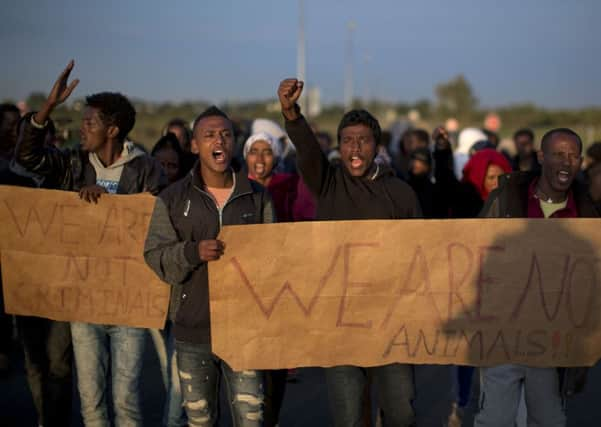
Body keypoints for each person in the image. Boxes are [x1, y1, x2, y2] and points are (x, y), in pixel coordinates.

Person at [15, 61, 166, 427]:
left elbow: (156, 225)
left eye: (90, 123)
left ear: (112, 130)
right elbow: (27, 158)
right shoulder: (71, 165)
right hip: (84, 307)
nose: (82, 129)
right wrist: (47, 108)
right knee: (91, 404)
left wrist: (109, 207)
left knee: (126, 403)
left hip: (128, 306)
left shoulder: (146, 169)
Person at [278, 78, 420, 427]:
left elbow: (421, 253)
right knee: (349, 415)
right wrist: (290, 112)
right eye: (347, 141)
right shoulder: (327, 183)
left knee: (402, 412)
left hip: (391, 323)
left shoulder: (400, 193)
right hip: (338, 320)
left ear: (377, 145)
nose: (355, 149)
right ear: (339, 146)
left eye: (363, 141)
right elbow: (308, 149)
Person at [144, 106, 273, 427]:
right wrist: (191, 253)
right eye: (210, 135)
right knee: (199, 421)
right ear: (194, 146)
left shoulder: (258, 198)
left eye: (226, 134)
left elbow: (275, 261)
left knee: (252, 420)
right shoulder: (172, 199)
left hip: (245, 332)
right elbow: (156, 257)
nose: (220, 140)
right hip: (193, 333)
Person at [475, 128, 598, 427]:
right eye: (558, 154)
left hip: (553, 344)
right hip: (503, 336)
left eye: (573, 156)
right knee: (496, 419)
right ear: (541, 157)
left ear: (581, 162)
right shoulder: (505, 200)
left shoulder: (587, 214)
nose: (566, 163)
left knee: (549, 419)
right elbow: (475, 253)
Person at [244, 131, 315, 222]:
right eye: (253, 152)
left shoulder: (293, 185)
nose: (259, 159)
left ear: (276, 158)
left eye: (267, 153)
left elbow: (306, 220)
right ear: (246, 157)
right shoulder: (238, 187)